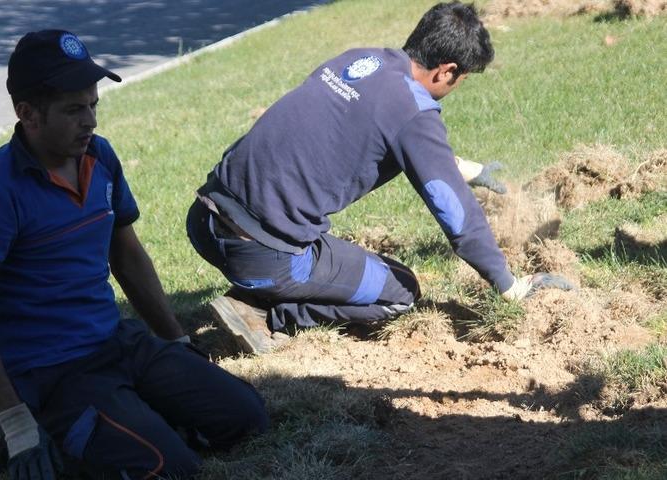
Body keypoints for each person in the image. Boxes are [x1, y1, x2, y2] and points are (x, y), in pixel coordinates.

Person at [0, 30, 268, 480]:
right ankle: (45, 428)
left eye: (93, 105)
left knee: (248, 417)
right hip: (53, 373)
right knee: (170, 469)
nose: (90, 121)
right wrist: (15, 422)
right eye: (74, 110)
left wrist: (175, 341)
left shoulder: (100, 157)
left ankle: (126, 419)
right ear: (27, 113)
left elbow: (127, 254)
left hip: (117, 343)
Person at [185, 2, 572, 354]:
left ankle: (257, 290)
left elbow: (367, 130)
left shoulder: (360, 60)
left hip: (204, 219)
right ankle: (265, 313)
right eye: (462, 79)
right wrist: (511, 287)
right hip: (262, 256)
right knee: (400, 290)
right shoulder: (414, 112)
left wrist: (474, 171)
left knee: (306, 249)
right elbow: (459, 220)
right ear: (447, 71)